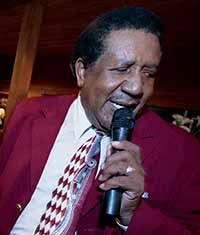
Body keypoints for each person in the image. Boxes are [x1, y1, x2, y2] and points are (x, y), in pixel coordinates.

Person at [0, 6, 200, 235]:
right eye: (121, 69)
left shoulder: (184, 152)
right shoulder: (29, 113)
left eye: (149, 74)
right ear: (82, 72)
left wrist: (133, 215)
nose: (137, 88)